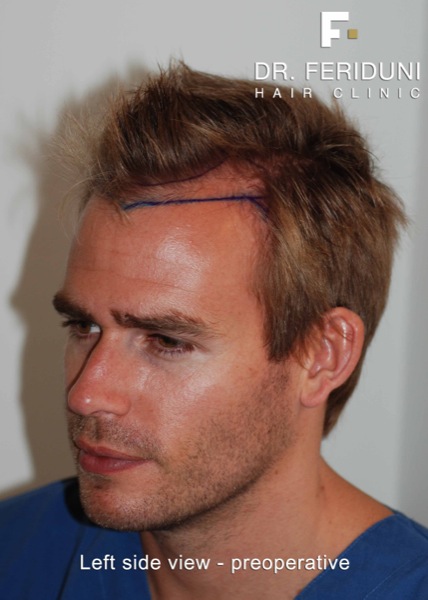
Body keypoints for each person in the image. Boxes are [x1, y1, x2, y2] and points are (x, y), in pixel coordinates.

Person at [1, 62, 427, 600]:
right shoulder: (15, 551)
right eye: (84, 325)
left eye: (167, 341)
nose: (86, 394)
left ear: (323, 355)